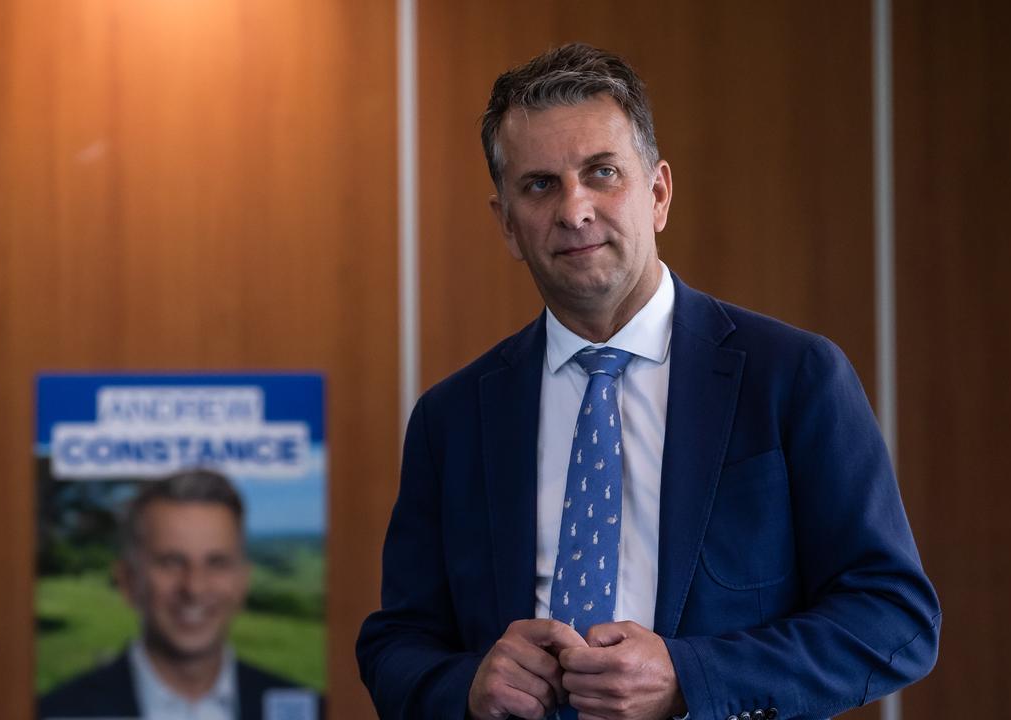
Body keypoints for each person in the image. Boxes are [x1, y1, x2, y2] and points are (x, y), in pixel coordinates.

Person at [356, 43, 940, 720]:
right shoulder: (450, 420)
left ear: (658, 193)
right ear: (508, 225)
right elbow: (396, 644)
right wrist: (467, 686)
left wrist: (690, 677)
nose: (575, 211)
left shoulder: (795, 377)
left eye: (602, 173)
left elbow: (895, 618)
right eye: (540, 185)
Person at [40, 469, 316, 720]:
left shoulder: (314, 712)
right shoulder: (56, 713)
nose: (194, 588)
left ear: (242, 581)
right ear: (128, 580)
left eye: (216, 562)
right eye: (171, 562)